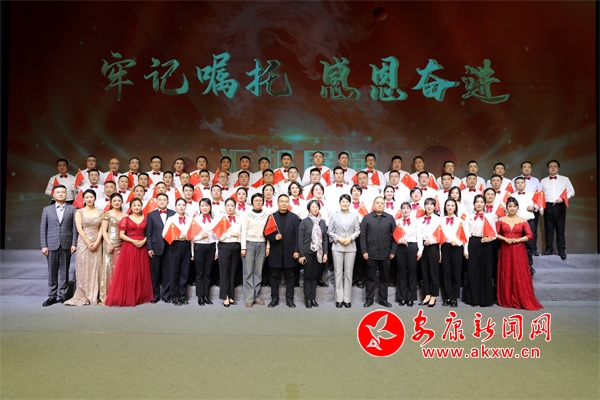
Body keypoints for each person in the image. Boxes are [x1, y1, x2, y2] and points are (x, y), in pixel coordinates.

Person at [105, 198, 154, 307]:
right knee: (130, 272)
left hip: (142, 246)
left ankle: (140, 296)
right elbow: (121, 235)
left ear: (141, 206)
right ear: (130, 207)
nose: (136, 207)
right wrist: (133, 241)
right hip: (129, 247)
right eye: (134, 205)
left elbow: (150, 233)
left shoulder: (146, 219)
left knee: (141, 271)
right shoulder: (125, 219)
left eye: (138, 205)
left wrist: (144, 241)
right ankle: (130, 296)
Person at [496, 197, 543, 310]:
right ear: (506, 208)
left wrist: (518, 240)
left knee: (519, 273)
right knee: (507, 272)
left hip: (519, 249)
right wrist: (505, 239)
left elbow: (530, 235)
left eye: (514, 206)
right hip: (506, 249)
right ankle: (506, 298)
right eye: (510, 206)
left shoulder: (523, 220)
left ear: (517, 208)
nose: (512, 208)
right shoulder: (501, 220)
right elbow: (495, 234)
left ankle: (521, 298)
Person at [40, 184, 78, 306]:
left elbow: (75, 228)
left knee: (64, 271)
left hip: (67, 244)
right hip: (51, 244)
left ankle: (63, 295)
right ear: (53, 195)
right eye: (58, 192)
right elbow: (43, 229)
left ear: (66, 194)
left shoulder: (73, 209)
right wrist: (44, 245)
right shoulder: (47, 209)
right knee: (52, 271)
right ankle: (52, 296)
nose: (61, 194)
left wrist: (74, 243)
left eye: (63, 192)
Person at [64, 189, 103, 306]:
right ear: (84, 199)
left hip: (97, 242)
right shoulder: (79, 212)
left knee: (96, 268)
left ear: (95, 198)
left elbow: (102, 229)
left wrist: (96, 242)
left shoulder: (101, 212)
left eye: (91, 197)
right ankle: (83, 294)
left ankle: (94, 295)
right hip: (83, 243)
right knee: (83, 268)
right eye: (87, 197)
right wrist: (88, 243)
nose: (89, 199)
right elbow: (79, 229)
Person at [359, 196, 397, 308]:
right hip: (370, 253)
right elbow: (362, 236)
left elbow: (395, 236)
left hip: (386, 253)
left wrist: (393, 250)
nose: (380, 205)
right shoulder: (367, 218)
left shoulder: (390, 218)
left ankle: (383, 299)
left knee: (384, 278)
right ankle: (369, 299)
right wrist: (364, 251)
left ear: (384, 205)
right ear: (374, 204)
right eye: (377, 203)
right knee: (370, 277)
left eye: (382, 203)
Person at [264, 194, 301, 308]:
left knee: (291, 277)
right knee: (274, 277)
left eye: (286, 201)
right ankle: (274, 298)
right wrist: (274, 237)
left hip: (290, 252)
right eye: (282, 201)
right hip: (275, 252)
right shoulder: (272, 217)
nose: (284, 203)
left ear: (289, 203)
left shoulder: (294, 217)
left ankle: (290, 299)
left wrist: (297, 250)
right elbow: (266, 233)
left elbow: (298, 236)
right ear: (278, 203)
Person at [328, 194, 360, 308]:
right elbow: (330, 231)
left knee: (348, 273)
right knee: (338, 273)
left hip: (351, 247)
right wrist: (339, 239)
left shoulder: (355, 216)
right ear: (340, 203)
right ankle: (339, 299)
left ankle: (347, 299)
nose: (345, 203)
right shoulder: (334, 216)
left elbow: (357, 230)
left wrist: (350, 238)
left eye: (347, 201)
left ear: (350, 203)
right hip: (337, 246)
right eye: (343, 201)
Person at [464, 195, 496, 307]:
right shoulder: (469, 217)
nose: (479, 204)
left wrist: (489, 238)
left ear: (484, 204)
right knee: (473, 270)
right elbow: (466, 234)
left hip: (486, 244)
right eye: (477, 202)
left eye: (481, 202)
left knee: (486, 271)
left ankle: (485, 300)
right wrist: (465, 250)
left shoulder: (490, 216)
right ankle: (473, 299)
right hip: (473, 243)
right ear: (473, 204)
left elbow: (494, 233)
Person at [240, 193, 270, 307]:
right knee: (248, 271)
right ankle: (249, 298)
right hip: (249, 244)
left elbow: (268, 231)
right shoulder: (247, 214)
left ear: (263, 202)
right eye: (256, 200)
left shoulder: (267, 214)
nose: (258, 202)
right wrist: (243, 247)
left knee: (258, 272)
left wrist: (268, 246)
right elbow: (243, 231)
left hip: (262, 244)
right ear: (252, 202)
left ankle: (256, 296)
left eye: (260, 200)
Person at [541, 160, 575, 260]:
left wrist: (563, 198)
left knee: (560, 229)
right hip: (548, 206)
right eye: (550, 166)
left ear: (558, 168)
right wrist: (541, 208)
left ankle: (561, 250)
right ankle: (549, 249)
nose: (553, 168)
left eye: (555, 166)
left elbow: (571, 191)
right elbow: (541, 195)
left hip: (560, 206)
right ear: (547, 169)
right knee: (548, 229)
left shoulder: (565, 179)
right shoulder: (543, 181)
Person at [298, 200, 328, 308]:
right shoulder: (304, 222)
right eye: (313, 207)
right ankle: (308, 299)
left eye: (317, 207)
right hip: (307, 252)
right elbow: (300, 239)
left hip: (318, 253)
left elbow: (325, 238)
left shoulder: (322, 222)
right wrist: (301, 254)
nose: (315, 209)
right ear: (309, 209)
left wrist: (325, 253)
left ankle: (313, 298)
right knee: (308, 276)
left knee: (315, 276)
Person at [440, 198, 469, 308]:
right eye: (448, 205)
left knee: (456, 273)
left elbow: (465, 235)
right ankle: (447, 297)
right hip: (445, 247)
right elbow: (439, 236)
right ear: (445, 207)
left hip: (457, 247)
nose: (450, 207)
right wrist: (439, 252)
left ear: (455, 207)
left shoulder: (460, 220)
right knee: (446, 273)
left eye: (452, 205)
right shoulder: (441, 220)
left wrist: (459, 243)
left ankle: (454, 298)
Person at [146, 193, 175, 303]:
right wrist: (149, 248)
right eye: (160, 200)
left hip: (170, 247)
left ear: (168, 201)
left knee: (167, 272)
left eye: (164, 200)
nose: (162, 201)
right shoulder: (151, 215)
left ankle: (166, 295)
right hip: (155, 247)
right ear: (156, 202)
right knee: (155, 273)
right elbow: (148, 234)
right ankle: (155, 295)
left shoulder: (173, 214)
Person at [162, 198, 192, 305]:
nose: (181, 207)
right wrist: (177, 236)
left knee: (184, 272)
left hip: (186, 245)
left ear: (185, 207)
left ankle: (183, 296)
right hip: (175, 245)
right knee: (174, 271)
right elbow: (164, 233)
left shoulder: (189, 219)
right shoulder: (171, 219)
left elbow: (192, 233)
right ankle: (174, 297)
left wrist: (186, 236)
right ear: (175, 206)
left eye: (183, 205)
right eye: (179, 205)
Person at [394, 202, 422, 307]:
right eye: (403, 208)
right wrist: (400, 240)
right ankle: (401, 297)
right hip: (400, 248)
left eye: (407, 208)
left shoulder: (416, 221)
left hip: (412, 247)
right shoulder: (397, 222)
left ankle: (411, 298)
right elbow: (394, 236)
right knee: (401, 273)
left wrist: (420, 250)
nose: (405, 210)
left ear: (410, 210)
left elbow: (419, 236)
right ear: (401, 210)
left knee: (412, 273)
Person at [99, 193, 125, 304]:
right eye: (114, 201)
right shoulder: (107, 214)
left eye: (119, 200)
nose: (117, 202)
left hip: (122, 243)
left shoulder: (125, 215)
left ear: (122, 202)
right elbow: (104, 231)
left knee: (120, 269)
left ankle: (119, 294)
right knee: (108, 267)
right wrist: (109, 244)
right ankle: (107, 295)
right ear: (111, 202)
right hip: (110, 243)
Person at [191, 198, 218, 306]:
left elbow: (217, 237)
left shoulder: (214, 220)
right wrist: (200, 237)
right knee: (200, 273)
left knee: (208, 273)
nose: (205, 208)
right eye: (202, 206)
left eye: (207, 205)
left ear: (210, 207)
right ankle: (200, 296)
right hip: (199, 247)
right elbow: (191, 236)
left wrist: (216, 251)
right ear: (200, 207)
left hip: (211, 247)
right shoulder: (196, 220)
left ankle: (206, 295)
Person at [417, 198, 442, 307]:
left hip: (433, 247)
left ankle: (434, 296)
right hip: (423, 247)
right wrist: (420, 250)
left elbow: (440, 235)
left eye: (431, 204)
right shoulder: (420, 220)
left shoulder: (438, 219)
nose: (429, 206)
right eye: (427, 204)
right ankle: (427, 294)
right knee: (425, 272)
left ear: (434, 207)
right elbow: (418, 235)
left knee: (434, 272)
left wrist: (432, 240)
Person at [218, 198, 241, 307]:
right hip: (224, 246)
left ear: (235, 207)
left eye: (232, 205)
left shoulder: (239, 219)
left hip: (236, 246)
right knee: (224, 272)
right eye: (228, 205)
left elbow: (242, 233)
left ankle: (231, 295)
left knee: (233, 272)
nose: (230, 207)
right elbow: (218, 235)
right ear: (225, 207)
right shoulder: (221, 219)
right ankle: (225, 296)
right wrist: (230, 234)